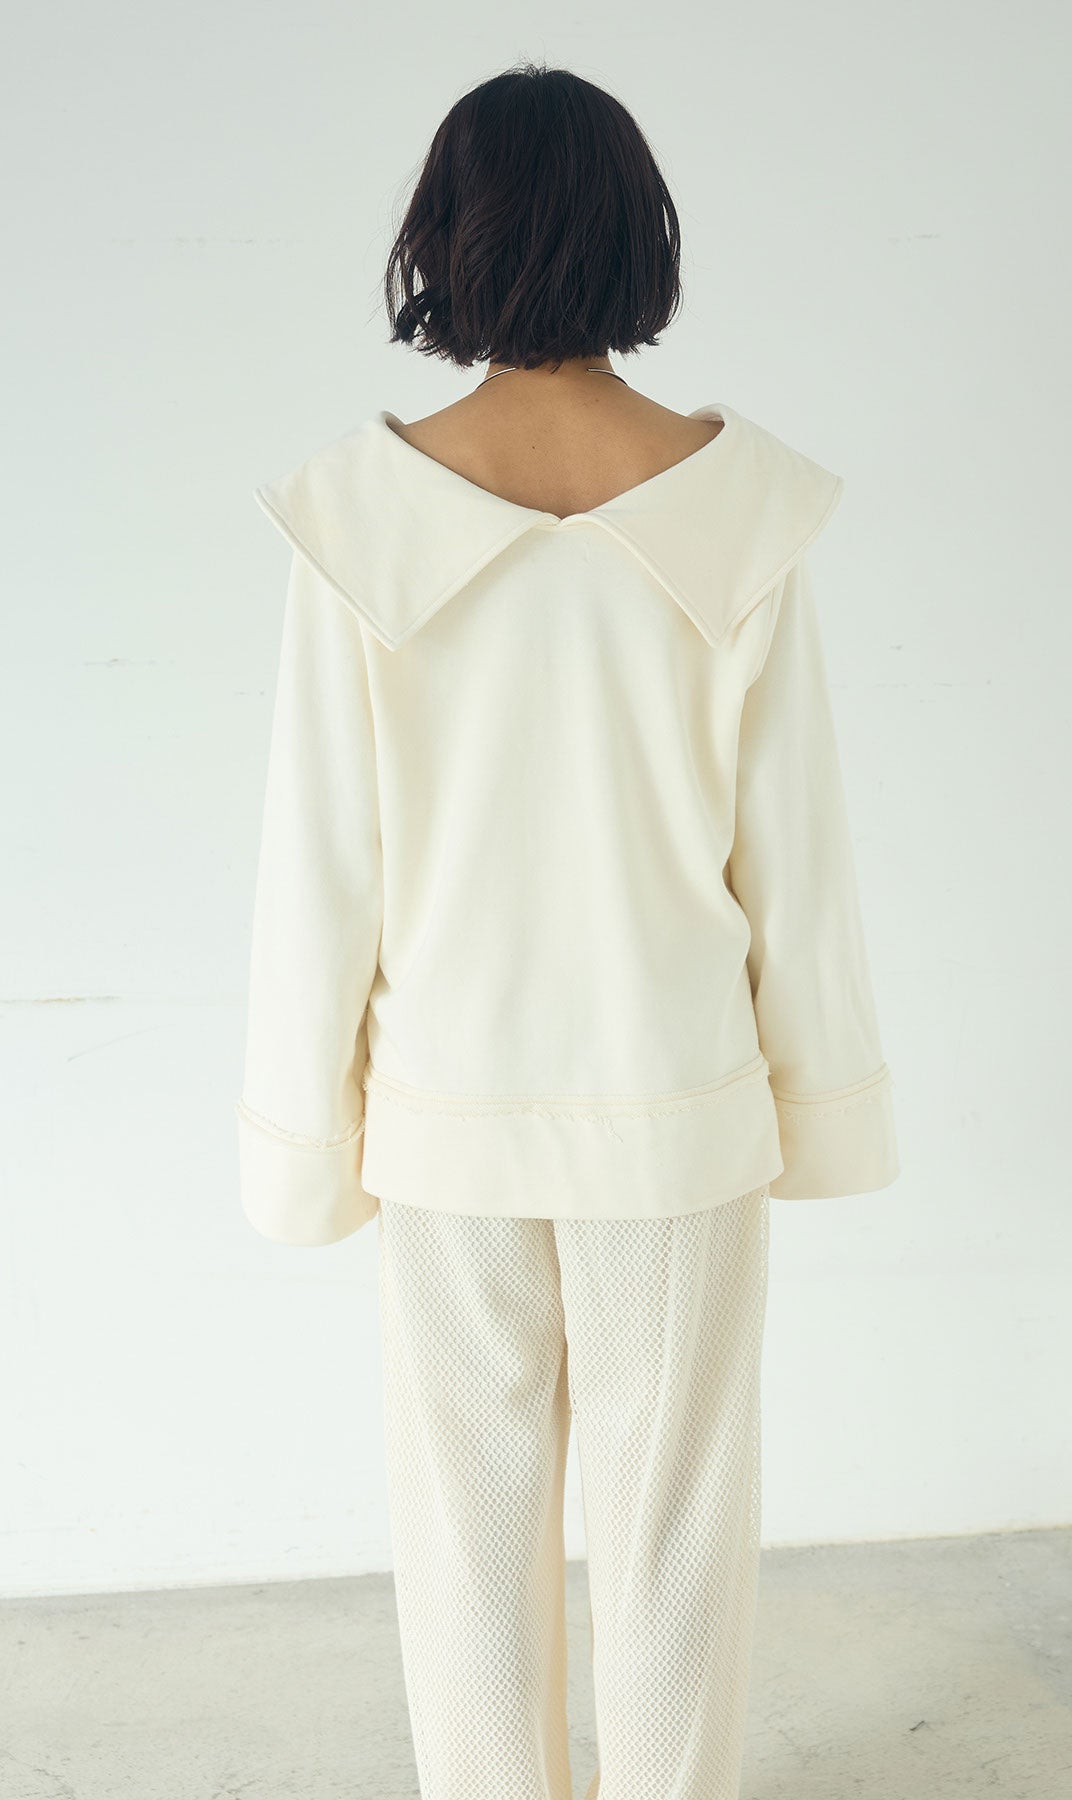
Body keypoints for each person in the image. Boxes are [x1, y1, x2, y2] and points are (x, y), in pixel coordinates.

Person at [235, 59, 900, 1800]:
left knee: (466, 1531)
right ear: (635, 237)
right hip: (676, 1106)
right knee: (677, 1531)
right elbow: (797, 857)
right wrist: (825, 1104)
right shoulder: (738, 510)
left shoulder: (356, 522)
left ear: (442, 239)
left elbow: (320, 865)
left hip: (449, 1111)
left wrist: (305, 1138)